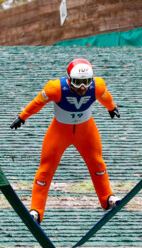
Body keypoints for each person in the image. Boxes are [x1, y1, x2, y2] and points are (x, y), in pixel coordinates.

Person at [10, 58, 121, 224]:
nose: (82, 88)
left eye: (85, 83)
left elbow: (105, 97)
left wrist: (112, 107)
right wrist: (23, 116)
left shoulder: (97, 86)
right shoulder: (55, 88)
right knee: (46, 168)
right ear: (69, 80)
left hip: (86, 130)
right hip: (60, 131)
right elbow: (38, 102)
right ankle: (36, 210)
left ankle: (107, 198)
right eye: (78, 83)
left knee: (97, 163)